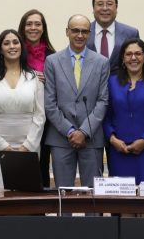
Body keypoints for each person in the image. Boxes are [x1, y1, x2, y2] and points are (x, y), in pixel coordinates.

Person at [44, 14, 109, 188]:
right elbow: (50, 103)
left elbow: (103, 101)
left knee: (93, 195)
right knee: (63, 195)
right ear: (67, 32)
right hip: (61, 138)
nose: (80, 35)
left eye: (84, 31)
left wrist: (84, 131)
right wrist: (70, 131)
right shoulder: (52, 62)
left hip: (92, 137)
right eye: (75, 31)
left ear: (89, 33)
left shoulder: (102, 62)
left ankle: (93, 218)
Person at [0, 29, 45, 188]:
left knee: (25, 195)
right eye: (6, 43)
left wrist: (28, 146)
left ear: (22, 46)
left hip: (29, 146)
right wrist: (2, 146)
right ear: (0, 49)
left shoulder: (34, 78)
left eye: (15, 42)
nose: (11, 46)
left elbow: (40, 115)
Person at [103, 38, 144, 183]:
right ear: (122, 58)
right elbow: (105, 117)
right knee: (121, 200)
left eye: (138, 54)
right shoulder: (111, 82)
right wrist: (112, 139)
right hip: (119, 151)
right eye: (129, 54)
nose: (133, 58)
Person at [17, 8, 56, 188]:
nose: (33, 28)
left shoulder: (53, 56)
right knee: (17, 162)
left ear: (43, 28)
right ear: (23, 28)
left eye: (37, 24)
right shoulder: (13, 51)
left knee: (41, 162)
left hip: (45, 119)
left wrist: (48, 80)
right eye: (29, 24)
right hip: (18, 117)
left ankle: (39, 209)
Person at [86, 0, 140, 72]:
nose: (105, 8)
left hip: (121, 84)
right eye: (100, 4)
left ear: (116, 7)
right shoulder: (83, 33)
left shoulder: (131, 34)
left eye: (109, 4)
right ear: (93, 8)